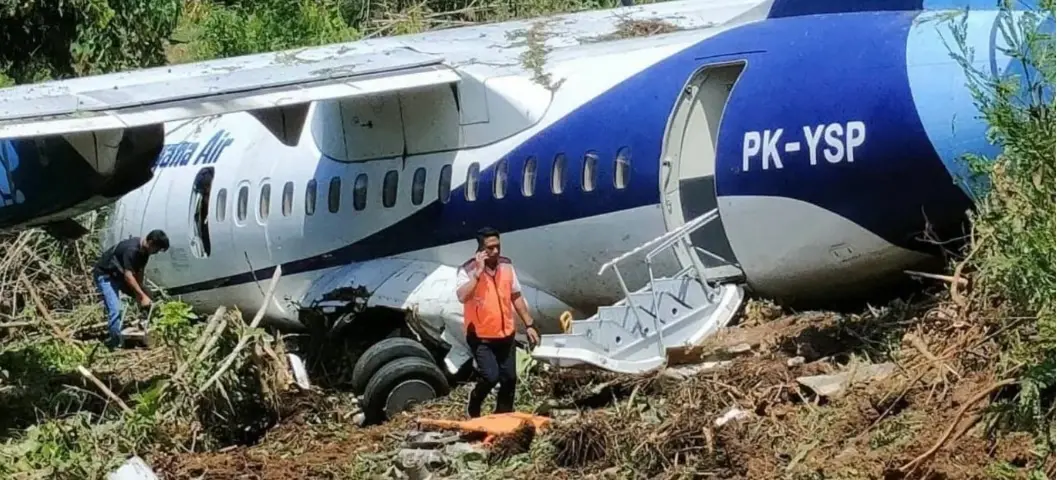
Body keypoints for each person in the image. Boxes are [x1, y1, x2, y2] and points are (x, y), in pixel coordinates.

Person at [456, 227, 541, 418]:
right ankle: (474, 402)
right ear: (480, 249)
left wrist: (529, 324)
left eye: (498, 247)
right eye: (490, 248)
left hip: (505, 334)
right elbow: (462, 296)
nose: (495, 251)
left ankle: (503, 415)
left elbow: (516, 296)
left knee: (510, 378)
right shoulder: (467, 270)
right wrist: (477, 274)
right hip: (480, 336)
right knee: (490, 376)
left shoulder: (506, 267)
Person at [92, 230, 170, 349]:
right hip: (106, 276)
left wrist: (142, 293)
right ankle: (115, 344)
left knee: (147, 296)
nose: (156, 252)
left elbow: (139, 272)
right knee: (116, 310)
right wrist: (141, 296)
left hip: (119, 274)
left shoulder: (145, 252)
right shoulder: (132, 250)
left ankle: (144, 325)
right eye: (157, 249)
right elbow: (128, 276)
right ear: (150, 242)